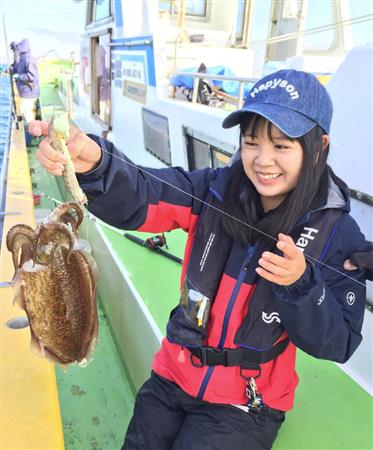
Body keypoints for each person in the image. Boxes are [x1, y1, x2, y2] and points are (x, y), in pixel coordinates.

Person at [29, 69, 368, 450]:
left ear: (320, 145)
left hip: (244, 403)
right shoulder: (213, 189)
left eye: (282, 146)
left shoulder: (338, 235)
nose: (262, 160)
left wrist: (302, 284)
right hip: (174, 372)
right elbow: (146, 192)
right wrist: (95, 163)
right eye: (251, 142)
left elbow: (339, 343)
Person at [10, 38, 40, 124]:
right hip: (24, 93)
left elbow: (32, 76)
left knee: (29, 115)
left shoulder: (29, 60)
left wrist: (19, 76)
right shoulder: (21, 60)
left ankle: (32, 134)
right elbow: (16, 69)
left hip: (30, 93)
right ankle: (32, 130)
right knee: (24, 111)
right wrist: (9, 70)